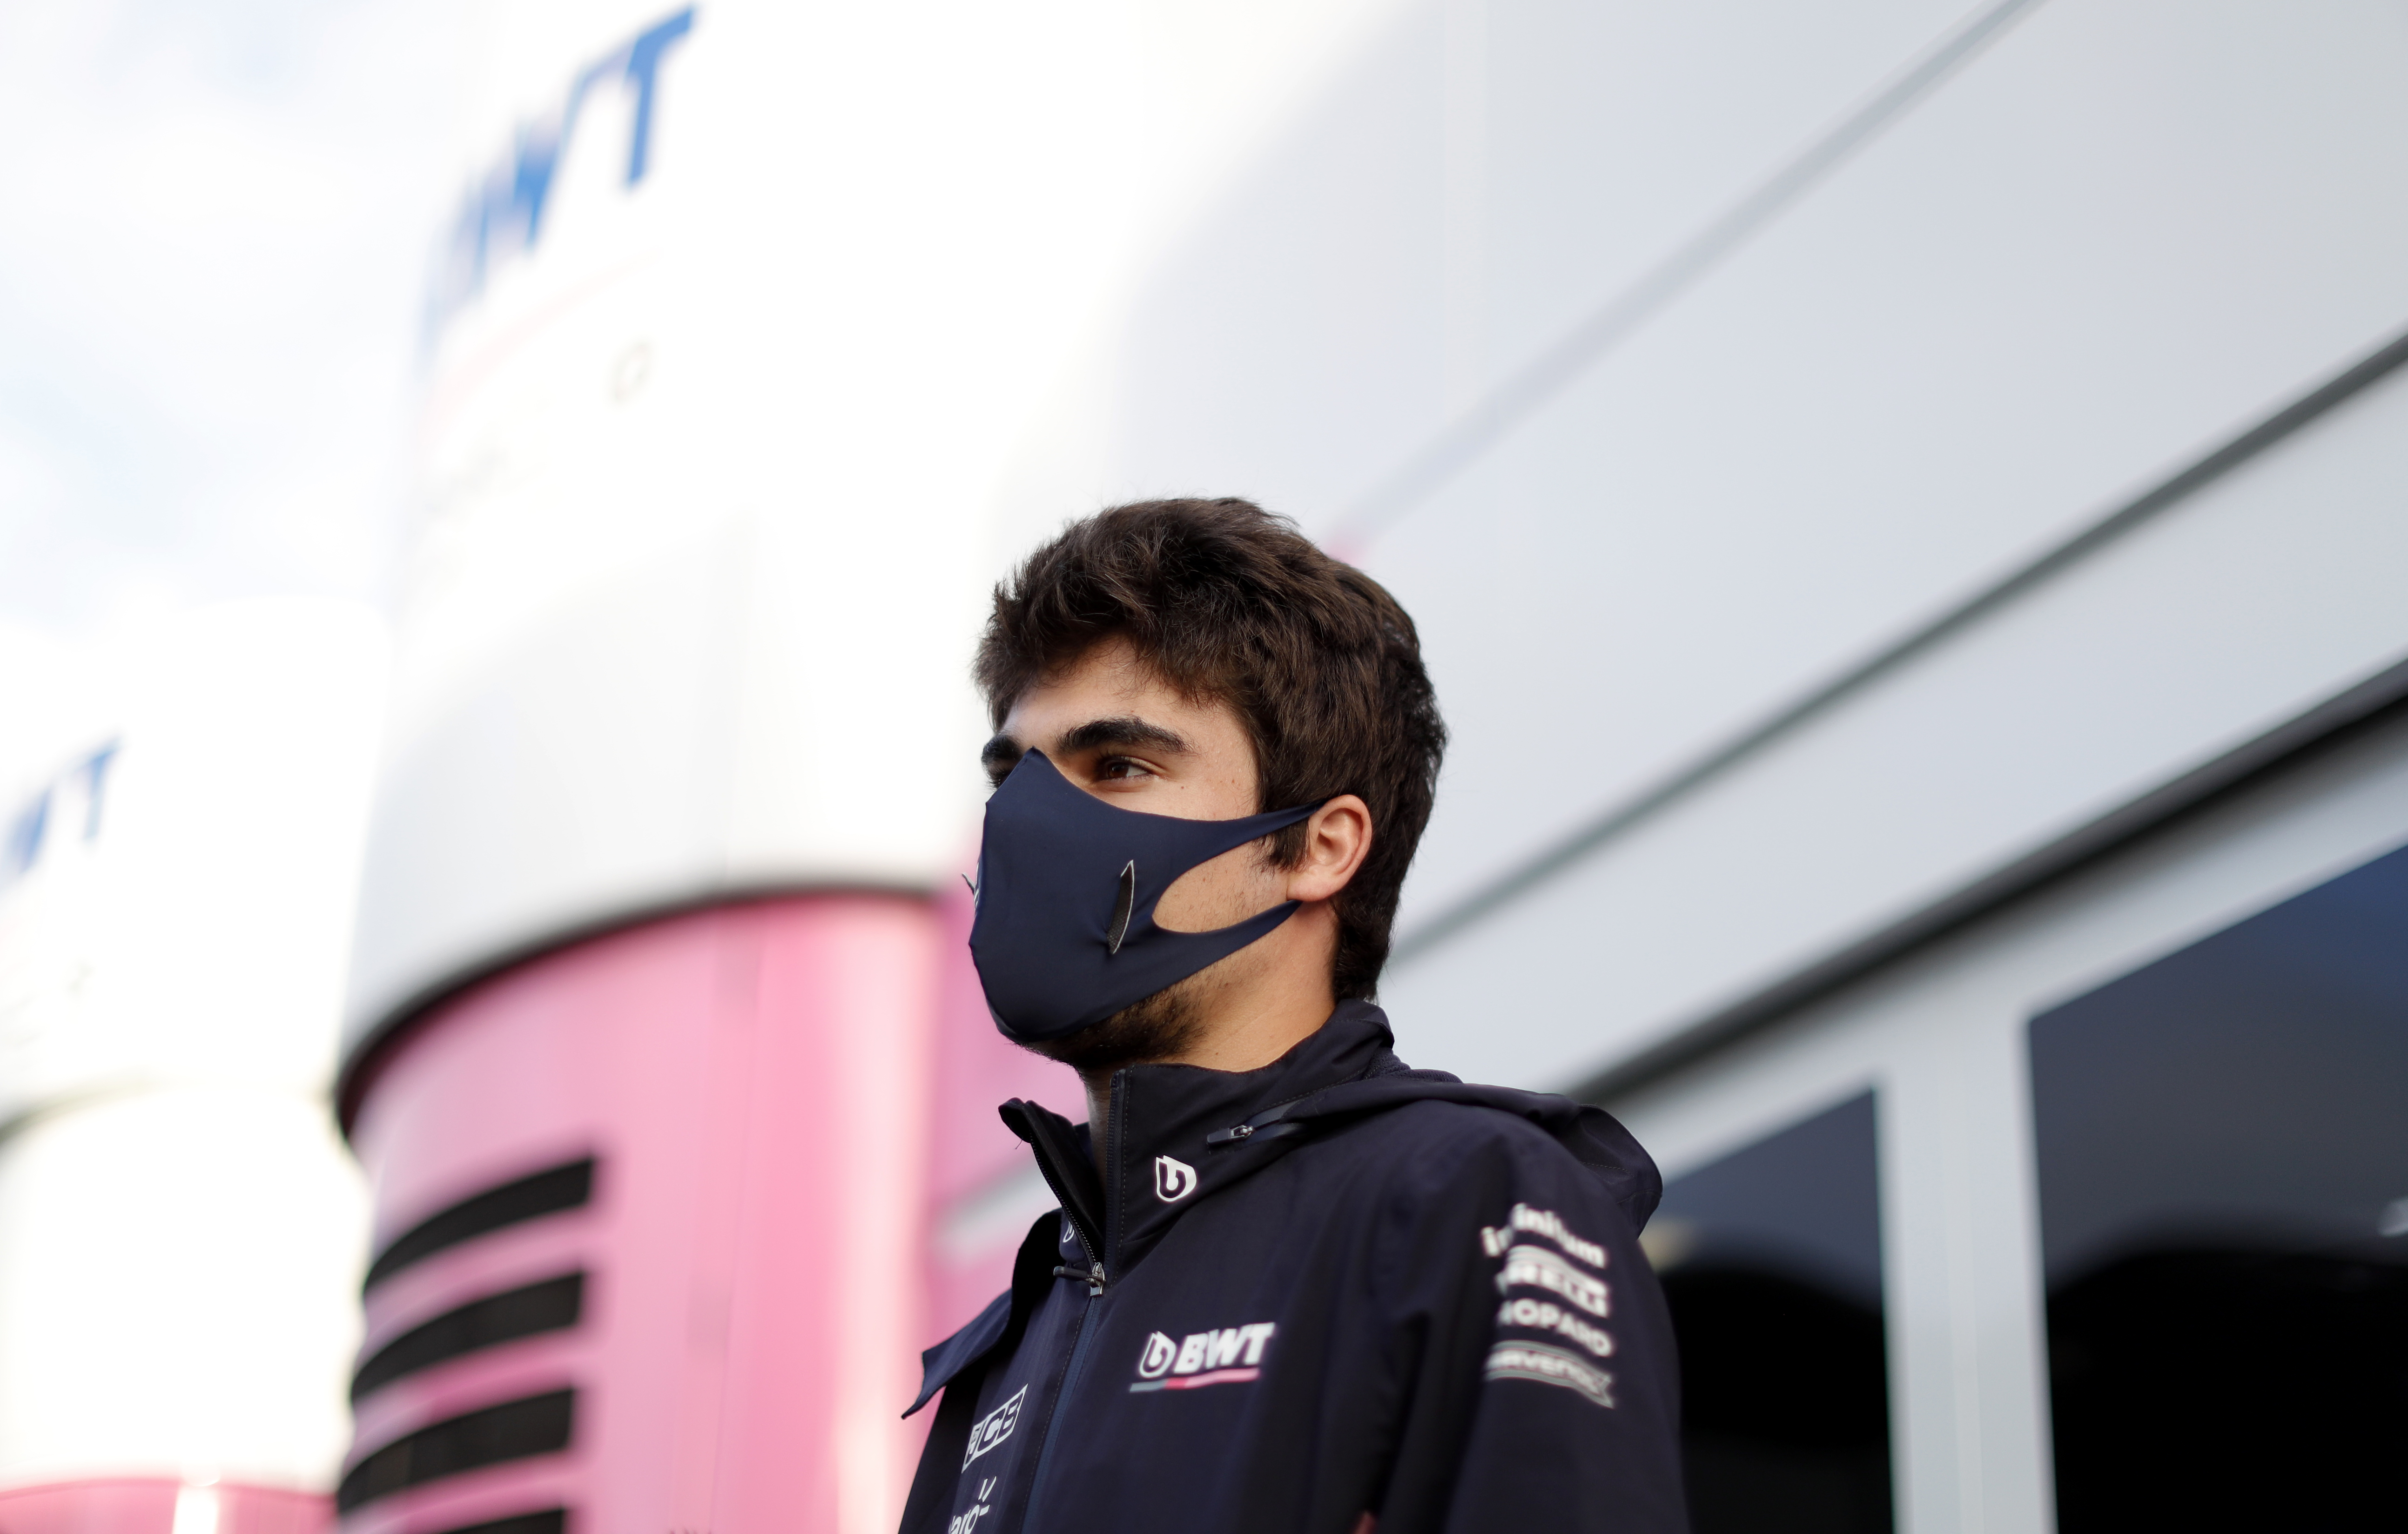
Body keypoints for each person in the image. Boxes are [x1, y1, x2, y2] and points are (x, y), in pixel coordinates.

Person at [900, 499, 1686, 1534]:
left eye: (1120, 765)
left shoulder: (1468, 1205)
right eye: (1013, 774)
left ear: (1321, 845)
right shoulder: (1014, 1333)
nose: (1029, 826)